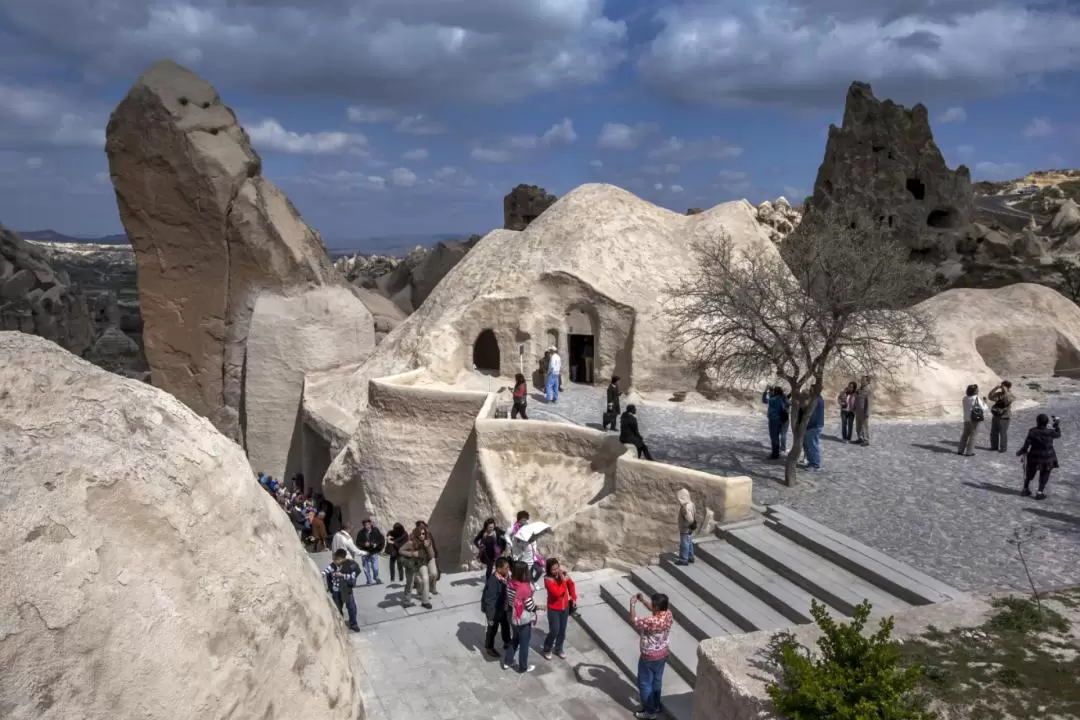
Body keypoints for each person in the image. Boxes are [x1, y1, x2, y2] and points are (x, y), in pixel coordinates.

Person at [630, 592, 673, 720]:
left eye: (653, 604)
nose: (651, 605)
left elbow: (634, 620)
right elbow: (655, 609)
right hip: (663, 654)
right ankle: (656, 705)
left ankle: (649, 711)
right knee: (657, 680)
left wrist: (632, 604)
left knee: (644, 683)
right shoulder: (668, 614)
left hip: (649, 656)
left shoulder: (651, 621)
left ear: (657, 608)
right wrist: (643, 600)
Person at [503, 561, 540, 673]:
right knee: (524, 644)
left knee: (515, 639)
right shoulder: (524, 588)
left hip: (513, 617)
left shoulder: (510, 583)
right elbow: (530, 605)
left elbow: (510, 600)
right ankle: (523, 667)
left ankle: (507, 661)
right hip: (523, 619)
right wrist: (538, 607)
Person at [1017, 413, 1061, 500]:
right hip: (1047, 457)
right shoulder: (1050, 432)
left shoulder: (1032, 431)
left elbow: (1027, 444)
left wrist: (1022, 451)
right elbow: (1058, 434)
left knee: (1030, 472)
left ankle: (1025, 489)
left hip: (1034, 456)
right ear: (1046, 422)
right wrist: (1056, 425)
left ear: (1037, 422)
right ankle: (1039, 492)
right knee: (1045, 473)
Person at [541, 558, 577, 660]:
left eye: (557, 568)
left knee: (562, 630)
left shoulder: (562, 574)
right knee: (554, 630)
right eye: (553, 569)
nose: (556, 571)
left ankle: (559, 648)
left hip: (564, 607)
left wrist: (573, 598)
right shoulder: (548, 580)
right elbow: (557, 593)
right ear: (549, 570)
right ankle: (547, 648)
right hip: (553, 609)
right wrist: (564, 582)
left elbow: (571, 584)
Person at [322, 549, 360, 632]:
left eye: (337, 560)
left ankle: (354, 624)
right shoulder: (333, 565)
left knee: (352, 608)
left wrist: (342, 575)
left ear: (343, 558)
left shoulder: (351, 564)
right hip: (336, 591)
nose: (335, 561)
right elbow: (325, 571)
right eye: (335, 559)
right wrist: (320, 575)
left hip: (346, 590)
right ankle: (340, 625)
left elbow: (353, 576)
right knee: (338, 609)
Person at [398, 524, 435, 609]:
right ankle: (406, 601)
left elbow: (432, 555)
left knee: (426, 580)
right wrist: (411, 553)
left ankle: (425, 601)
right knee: (410, 583)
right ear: (416, 534)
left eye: (423, 533)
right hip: (411, 564)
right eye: (420, 534)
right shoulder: (411, 542)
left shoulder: (427, 542)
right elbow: (400, 550)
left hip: (422, 563)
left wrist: (428, 547)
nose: (422, 536)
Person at [481, 557, 512, 657]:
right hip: (494, 610)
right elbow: (489, 601)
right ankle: (489, 647)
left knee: (506, 625)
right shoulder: (493, 581)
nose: (508, 569)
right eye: (506, 568)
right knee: (492, 629)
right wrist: (490, 617)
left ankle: (507, 642)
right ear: (499, 569)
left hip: (504, 607)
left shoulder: (506, 576)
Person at [959, 384, 987, 457]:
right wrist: (985, 403)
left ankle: (960, 450)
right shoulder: (976, 398)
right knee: (973, 435)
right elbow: (983, 408)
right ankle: (969, 452)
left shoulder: (965, 398)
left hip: (966, 418)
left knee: (965, 434)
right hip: (974, 419)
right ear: (975, 391)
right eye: (977, 389)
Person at [355, 519, 385, 585]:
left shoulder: (375, 530)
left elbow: (381, 539)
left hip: (374, 552)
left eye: (368, 524)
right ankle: (369, 580)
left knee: (375, 567)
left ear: (371, 524)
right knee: (366, 568)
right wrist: (364, 544)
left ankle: (376, 578)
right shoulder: (361, 533)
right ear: (363, 526)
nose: (367, 526)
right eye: (365, 525)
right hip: (365, 552)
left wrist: (376, 544)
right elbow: (357, 542)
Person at [762, 386, 789, 459]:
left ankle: (775, 454)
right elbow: (787, 405)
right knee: (782, 435)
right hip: (783, 420)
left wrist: (765, 391)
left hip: (774, 420)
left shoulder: (773, 399)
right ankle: (781, 449)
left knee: (774, 437)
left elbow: (764, 400)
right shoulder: (783, 398)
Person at [800, 394, 826, 470]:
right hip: (815, 425)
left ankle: (815, 465)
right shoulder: (819, 399)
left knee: (813, 445)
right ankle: (812, 462)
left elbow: (804, 407)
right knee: (812, 445)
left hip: (814, 426)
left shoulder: (815, 400)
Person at [988, 380, 1014, 452]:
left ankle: (1003, 448)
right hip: (996, 415)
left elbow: (1008, 400)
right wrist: (995, 388)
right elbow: (990, 397)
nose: (1001, 388)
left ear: (1008, 387)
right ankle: (994, 446)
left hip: (1004, 417)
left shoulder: (1010, 394)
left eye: (1003, 386)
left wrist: (1005, 391)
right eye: (1001, 386)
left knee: (1003, 433)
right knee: (994, 432)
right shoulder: (999, 394)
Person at [675, 488, 697, 566]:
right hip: (690, 528)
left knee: (684, 544)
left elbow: (689, 519)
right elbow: (694, 515)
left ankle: (684, 559)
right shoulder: (691, 504)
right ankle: (690, 557)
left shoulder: (684, 508)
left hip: (685, 529)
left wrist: (687, 525)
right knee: (689, 542)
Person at [855, 376, 872, 446]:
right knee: (858, 426)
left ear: (867, 382)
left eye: (864, 380)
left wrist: (867, 412)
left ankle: (866, 440)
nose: (862, 381)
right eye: (861, 380)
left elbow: (869, 403)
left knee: (864, 426)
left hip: (864, 411)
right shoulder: (859, 390)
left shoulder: (868, 391)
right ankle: (860, 438)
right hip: (858, 411)